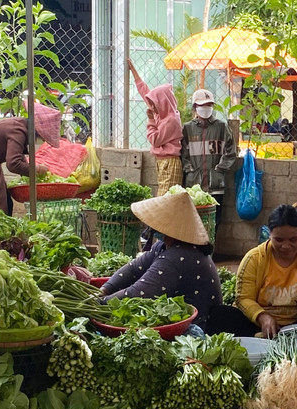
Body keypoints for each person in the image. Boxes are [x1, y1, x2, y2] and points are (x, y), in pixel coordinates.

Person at [99, 192, 221, 333]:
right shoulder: (163, 246)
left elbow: (140, 292)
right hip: (179, 320)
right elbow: (134, 268)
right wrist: (104, 290)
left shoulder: (179, 257)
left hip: (197, 327)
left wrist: (100, 303)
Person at [220, 205, 297, 338]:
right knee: (220, 315)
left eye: (293, 240)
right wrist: (262, 317)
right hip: (256, 324)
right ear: (269, 235)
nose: (286, 246)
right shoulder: (254, 259)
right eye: (279, 240)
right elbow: (244, 298)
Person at [181, 89, 237, 229]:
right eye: (202, 105)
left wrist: (220, 169)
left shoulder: (222, 127)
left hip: (216, 186)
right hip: (194, 186)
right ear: (195, 107)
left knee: (214, 223)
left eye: (209, 105)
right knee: (192, 222)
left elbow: (231, 151)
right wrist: (189, 169)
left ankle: (210, 250)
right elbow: (181, 153)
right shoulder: (187, 129)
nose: (206, 108)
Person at [128, 59, 183, 196]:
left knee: (164, 198)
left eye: (154, 103)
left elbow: (155, 139)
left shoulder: (171, 120)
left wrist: (151, 120)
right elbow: (145, 92)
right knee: (166, 199)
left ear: (162, 102)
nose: (151, 106)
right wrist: (133, 71)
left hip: (169, 163)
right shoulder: (162, 113)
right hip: (162, 162)